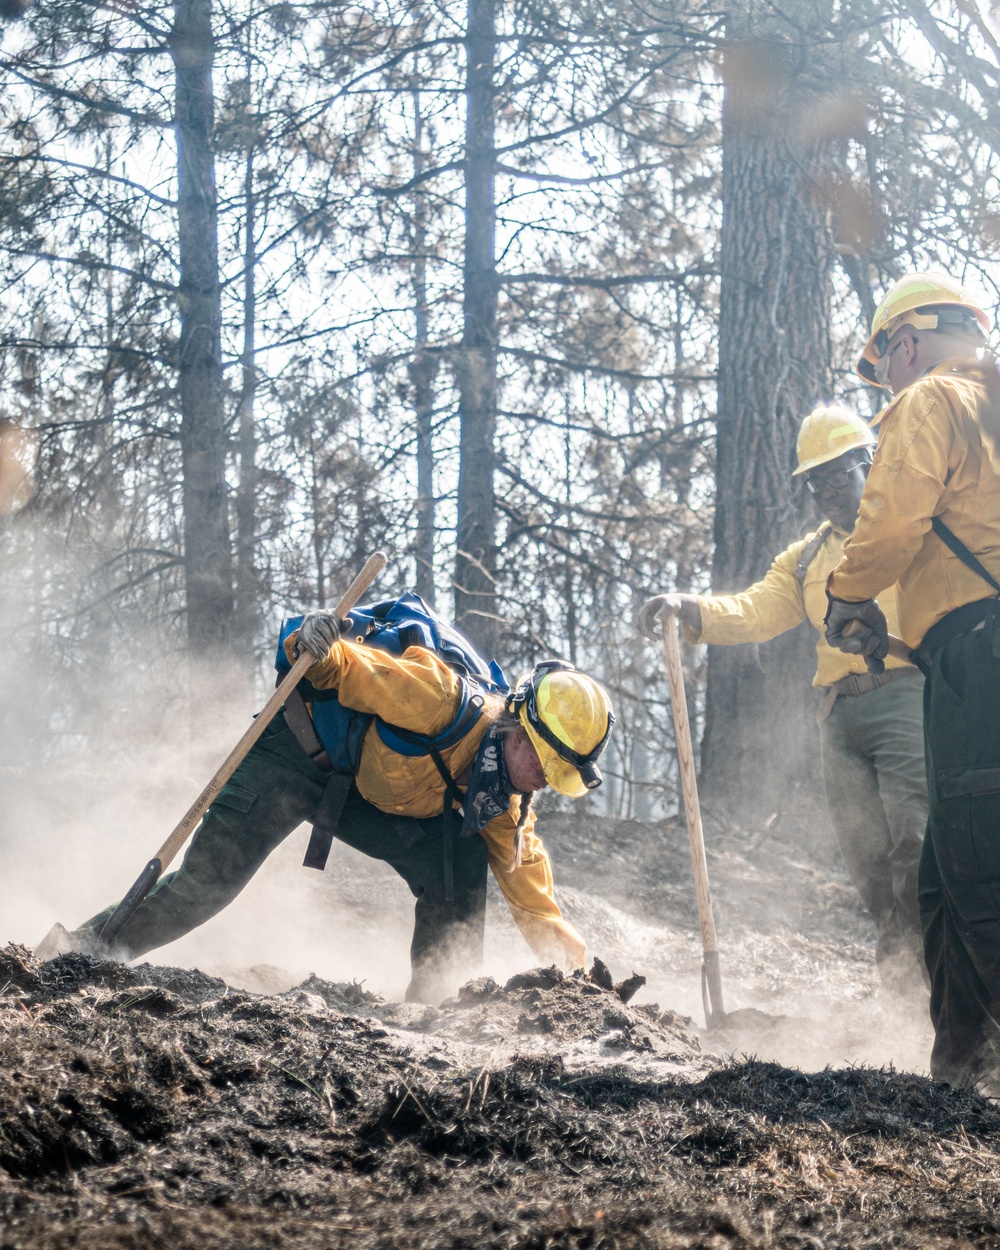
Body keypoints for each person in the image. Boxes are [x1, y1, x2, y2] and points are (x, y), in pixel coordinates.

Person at [62, 613, 615, 1003]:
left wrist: (580, 976)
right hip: (292, 755)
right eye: (546, 766)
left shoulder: (502, 798)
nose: (545, 784)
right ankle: (68, 959)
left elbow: (532, 899)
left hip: (362, 793)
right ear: (516, 733)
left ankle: (440, 1012)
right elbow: (339, 668)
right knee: (204, 885)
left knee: (463, 865)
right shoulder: (435, 696)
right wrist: (315, 637)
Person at [638, 404, 928, 1004]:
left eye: (836, 475)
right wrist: (691, 607)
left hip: (907, 700)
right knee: (871, 867)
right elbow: (757, 609)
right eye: (814, 481)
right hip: (839, 721)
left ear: (867, 466)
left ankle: (944, 1001)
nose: (825, 491)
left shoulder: (913, 533)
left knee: (917, 853)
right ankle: (902, 1001)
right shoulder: (805, 560)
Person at [824, 271, 1000, 1087]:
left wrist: (847, 594)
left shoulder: (934, 401)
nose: (886, 383)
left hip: (979, 657)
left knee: (977, 866)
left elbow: (891, 519)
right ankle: (961, 1070)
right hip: (965, 651)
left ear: (909, 342)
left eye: (883, 363)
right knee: (938, 878)